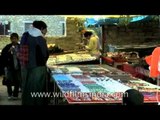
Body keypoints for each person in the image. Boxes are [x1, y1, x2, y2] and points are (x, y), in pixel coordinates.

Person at [18, 20, 49, 105]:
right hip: (38, 68)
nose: (47, 31)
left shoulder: (26, 34)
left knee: (28, 88)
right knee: (37, 89)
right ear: (42, 28)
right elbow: (44, 54)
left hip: (26, 66)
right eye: (46, 29)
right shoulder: (39, 37)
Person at [1, 33, 21, 100]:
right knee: (8, 81)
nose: (14, 40)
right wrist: (9, 51)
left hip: (18, 67)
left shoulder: (20, 46)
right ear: (10, 39)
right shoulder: (7, 47)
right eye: (12, 39)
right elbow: (3, 56)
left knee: (17, 81)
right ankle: (10, 94)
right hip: (10, 67)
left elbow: (23, 56)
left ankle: (15, 95)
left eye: (15, 39)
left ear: (18, 39)